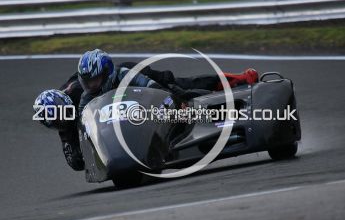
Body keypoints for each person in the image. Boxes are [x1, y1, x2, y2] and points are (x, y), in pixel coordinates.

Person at [34, 49, 258, 171]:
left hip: (137, 87)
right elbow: (78, 155)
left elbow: (155, 88)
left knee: (179, 87)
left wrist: (171, 97)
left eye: (94, 81)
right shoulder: (77, 103)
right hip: (117, 108)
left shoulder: (118, 75)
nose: (91, 86)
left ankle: (238, 81)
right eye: (55, 124)